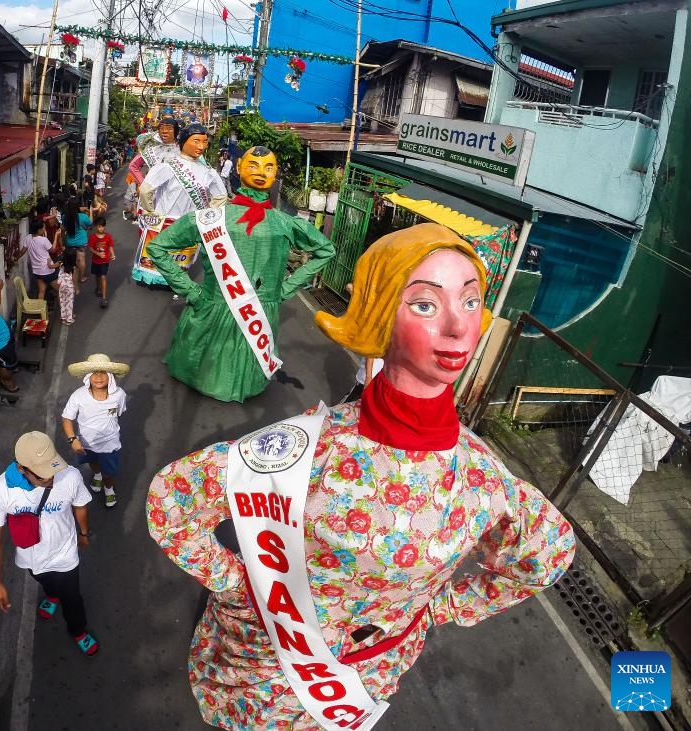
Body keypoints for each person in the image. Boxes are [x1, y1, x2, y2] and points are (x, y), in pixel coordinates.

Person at [147, 223, 576, 729]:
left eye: (470, 301)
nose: (459, 328)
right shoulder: (312, 446)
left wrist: (442, 608)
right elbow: (173, 499)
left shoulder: (484, 477)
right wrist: (237, 582)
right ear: (380, 315)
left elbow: (548, 551)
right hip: (264, 665)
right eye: (424, 304)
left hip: (360, 683)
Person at [146, 145, 335, 402]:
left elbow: (326, 250)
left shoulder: (285, 222)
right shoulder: (209, 218)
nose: (261, 172)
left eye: (269, 167)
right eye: (253, 165)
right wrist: (188, 289)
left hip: (253, 311)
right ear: (238, 168)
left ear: (276, 173)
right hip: (217, 305)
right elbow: (156, 247)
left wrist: (284, 290)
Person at [0, 431, 99, 656]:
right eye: (43, 475)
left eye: (52, 468)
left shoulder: (70, 476)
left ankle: (78, 631)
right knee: (45, 581)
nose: (51, 477)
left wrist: (84, 533)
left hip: (65, 555)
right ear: (22, 468)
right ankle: (52, 596)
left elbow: (80, 506)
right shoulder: (0, 491)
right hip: (30, 557)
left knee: (72, 598)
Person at [133, 123, 228, 288]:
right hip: (168, 222)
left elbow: (221, 196)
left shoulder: (209, 172)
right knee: (164, 255)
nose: (201, 146)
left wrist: (207, 216)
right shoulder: (168, 166)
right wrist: (150, 211)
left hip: (183, 223)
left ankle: (172, 282)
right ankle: (164, 282)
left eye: (205, 142)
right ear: (184, 141)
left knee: (177, 255)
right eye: (196, 141)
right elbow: (146, 190)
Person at [61, 354, 129, 509]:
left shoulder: (119, 395)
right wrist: (73, 439)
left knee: (109, 473)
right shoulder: (78, 395)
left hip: (110, 444)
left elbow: (119, 412)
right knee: (92, 462)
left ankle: (109, 489)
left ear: (110, 377)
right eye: (95, 373)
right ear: (88, 377)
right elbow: (66, 418)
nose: (99, 377)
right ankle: (97, 475)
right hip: (85, 443)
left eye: (103, 373)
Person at [128, 114, 180, 186]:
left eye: (169, 128)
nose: (164, 131)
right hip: (155, 191)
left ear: (176, 131)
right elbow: (133, 166)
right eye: (161, 128)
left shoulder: (184, 147)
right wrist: (144, 185)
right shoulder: (152, 147)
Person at [23, 217, 60, 303]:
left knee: (41, 291)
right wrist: (56, 236)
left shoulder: (28, 238)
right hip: (47, 270)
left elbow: (23, 251)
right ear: (39, 230)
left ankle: (41, 314)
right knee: (60, 290)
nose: (44, 229)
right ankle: (64, 313)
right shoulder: (43, 240)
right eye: (43, 228)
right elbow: (53, 249)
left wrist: (15, 258)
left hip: (37, 271)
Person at [63, 196, 93, 287]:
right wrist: (90, 211)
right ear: (78, 206)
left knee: (73, 262)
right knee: (82, 260)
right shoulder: (83, 217)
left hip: (69, 242)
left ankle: (73, 278)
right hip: (81, 242)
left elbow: (64, 226)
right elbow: (90, 223)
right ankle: (82, 277)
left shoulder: (65, 217)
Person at [87, 216, 116, 308]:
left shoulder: (108, 237)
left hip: (105, 261)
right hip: (96, 261)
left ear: (105, 226)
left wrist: (113, 254)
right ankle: (98, 288)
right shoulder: (92, 237)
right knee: (97, 275)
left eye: (102, 226)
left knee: (103, 276)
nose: (101, 228)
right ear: (96, 227)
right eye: (99, 226)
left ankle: (104, 298)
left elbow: (110, 246)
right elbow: (90, 248)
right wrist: (97, 254)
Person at [59, 248, 78, 325]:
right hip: (69, 287)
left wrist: (48, 262)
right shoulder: (73, 268)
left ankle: (63, 318)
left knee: (62, 301)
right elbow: (74, 279)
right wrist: (76, 288)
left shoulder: (61, 264)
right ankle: (69, 319)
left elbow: (51, 266)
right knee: (69, 302)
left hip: (61, 286)